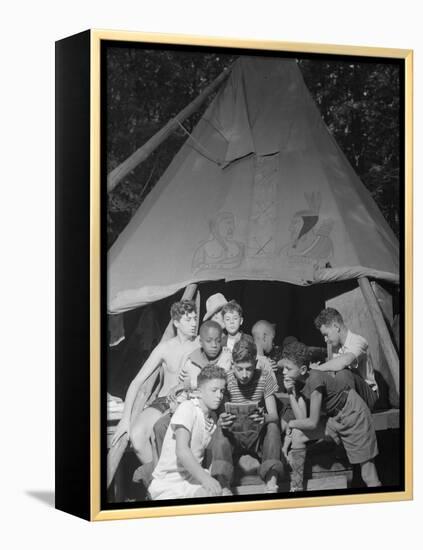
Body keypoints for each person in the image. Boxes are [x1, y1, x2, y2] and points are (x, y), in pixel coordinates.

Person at [281, 341, 381, 492]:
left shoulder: (315, 380)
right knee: (298, 435)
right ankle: (296, 487)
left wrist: (292, 423)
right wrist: (290, 393)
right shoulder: (298, 382)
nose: (284, 372)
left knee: (368, 475)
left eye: (288, 369)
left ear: (302, 369)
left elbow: (313, 423)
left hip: (353, 415)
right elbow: (302, 418)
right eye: (283, 368)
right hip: (333, 419)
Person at [110, 300, 199, 466]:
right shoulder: (164, 348)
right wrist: (125, 419)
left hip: (188, 401)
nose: (194, 323)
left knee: (167, 435)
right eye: (188, 320)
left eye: (195, 318)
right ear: (177, 322)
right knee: (137, 437)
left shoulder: (201, 344)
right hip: (163, 401)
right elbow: (136, 383)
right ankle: (158, 480)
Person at [210, 339, 284, 493]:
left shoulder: (265, 377)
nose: (244, 375)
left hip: (257, 437)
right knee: (219, 429)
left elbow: (274, 415)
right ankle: (224, 485)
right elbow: (222, 413)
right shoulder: (227, 379)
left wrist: (264, 418)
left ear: (256, 362)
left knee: (272, 426)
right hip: (235, 437)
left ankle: (271, 481)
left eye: (249, 369)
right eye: (239, 369)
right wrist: (222, 419)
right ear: (232, 364)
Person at [148, 365, 227, 500]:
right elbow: (182, 450)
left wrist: (212, 479)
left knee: (224, 494)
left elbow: (207, 456)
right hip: (170, 481)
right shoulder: (188, 408)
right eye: (214, 390)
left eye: (222, 391)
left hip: (192, 478)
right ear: (199, 392)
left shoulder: (212, 419)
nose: (219, 396)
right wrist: (206, 480)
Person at [312, 308, 379, 411]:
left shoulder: (358, 341)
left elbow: (346, 361)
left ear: (336, 327)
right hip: (350, 394)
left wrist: (318, 369)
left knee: (344, 373)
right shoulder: (336, 347)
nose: (325, 340)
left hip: (369, 397)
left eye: (326, 335)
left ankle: (346, 413)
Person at [177, 321, 232, 391]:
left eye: (218, 341)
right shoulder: (191, 361)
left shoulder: (226, 356)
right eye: (209, 341)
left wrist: (190, 383)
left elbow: (217, 382)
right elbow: (182, 386)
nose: (214, 345)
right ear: (200, 342)